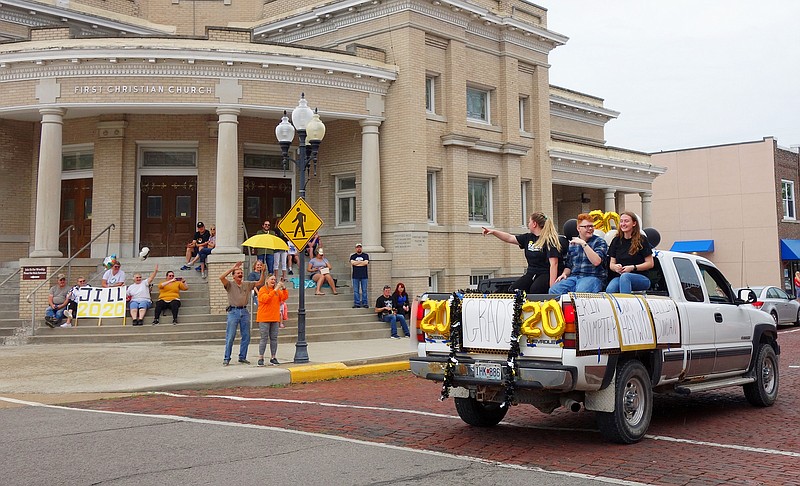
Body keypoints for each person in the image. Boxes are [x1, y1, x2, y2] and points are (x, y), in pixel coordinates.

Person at [482, 211, 561, 294]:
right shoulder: (528, 237)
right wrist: (494, 232)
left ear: (534, 224)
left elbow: (554, 264)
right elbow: (509, 238)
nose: (528, 224)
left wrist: (552, 286)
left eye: (529, 222)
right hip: (531, 272)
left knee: (535, 289)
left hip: (545, 273)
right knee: (515, 289)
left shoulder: (549, 240)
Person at [220, 261, 265, 366]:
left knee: (246, 336)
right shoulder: (229, 284)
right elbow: (221, 277)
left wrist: (262, 272)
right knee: (230, 336)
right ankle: (227, 358)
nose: (240, 274)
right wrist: (233, 268)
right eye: (237, 273)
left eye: (241, 272)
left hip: (244, 311)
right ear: (234, 276)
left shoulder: (247, 284)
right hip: (233, 311)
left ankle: (242, 357)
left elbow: (260, 282)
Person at [549, 213, 608, 294]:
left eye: (591, 226)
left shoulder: (599, 242)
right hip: (574, 277)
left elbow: (597, 261)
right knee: (554, 290)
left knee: (581, 292)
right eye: (586, 226)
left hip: (593, 277)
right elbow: (569, 265)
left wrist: (584, 244)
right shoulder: (573, 243)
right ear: (578, 228)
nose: (590, 229)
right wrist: (564, 274)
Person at [606, 211, 655, 294]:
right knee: (610, 289)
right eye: (621, 221)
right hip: (620, 276)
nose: (623, 224)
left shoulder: (642, 240)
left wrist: (632, 267)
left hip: (641, 277)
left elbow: (650, 263)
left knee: (625, 277)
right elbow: (611, 264)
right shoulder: (616, 240)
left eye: (626, 221)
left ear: (634, 223)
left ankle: (626, 305)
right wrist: (616, 267)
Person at [256, 275, 289, 367]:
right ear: (267, 280)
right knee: (264, 338)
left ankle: (273, 357)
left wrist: (283, 288)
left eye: (275, 279)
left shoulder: (277, 291)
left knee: (274, 338)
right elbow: (265, 299)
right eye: (272, 279)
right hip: (264, 317)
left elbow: (284, 297)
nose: (273, 281)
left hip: (274, 318)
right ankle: (261, 357)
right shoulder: (263, 289)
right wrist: (275, 290)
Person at [350, 243, 369, 308]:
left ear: (361, 248)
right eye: (357, 247)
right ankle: (357, 303)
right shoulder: (353, 256)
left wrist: (357, 263)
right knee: (356, 290)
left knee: (364, 290)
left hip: (364, 276)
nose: (359, 248)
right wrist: (361, 262)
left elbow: (366, 262)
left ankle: (365, 303)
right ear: (356, 248)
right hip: (355, 276)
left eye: (360, 247)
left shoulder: (365, 255)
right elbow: (352, 263)